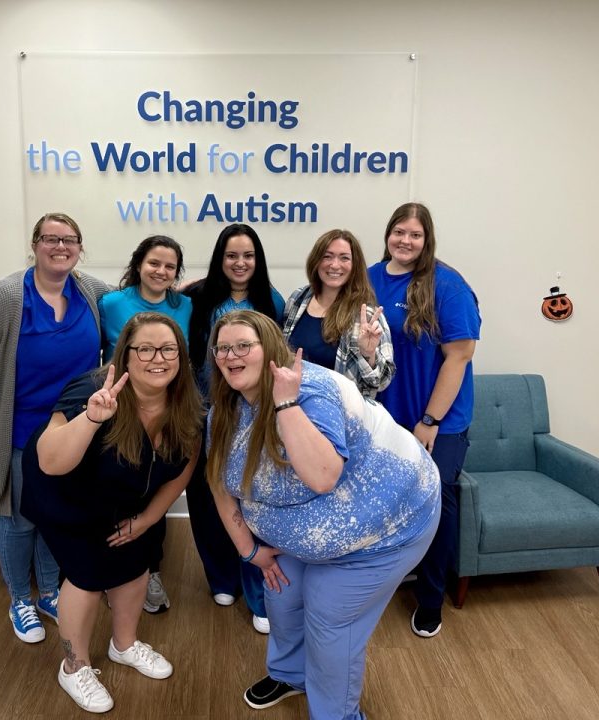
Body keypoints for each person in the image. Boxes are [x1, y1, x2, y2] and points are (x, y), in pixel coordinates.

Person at [206, 310, 440, 719]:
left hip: (386, 529)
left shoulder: (312, 391)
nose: (231, 355)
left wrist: (285, 404)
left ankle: (337, 715)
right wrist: (249, 550)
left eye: (244, 345)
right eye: (223, 348)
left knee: (328, 613)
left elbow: (322, 476)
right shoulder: (224, 410)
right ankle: (291, 675)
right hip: (301, 533)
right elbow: (220, 482)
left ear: (270, 348)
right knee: (281, 596)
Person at [21, 312, 202, 714]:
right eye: (145, 349)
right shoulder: (91, 390)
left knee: (136, 560)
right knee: (87, 574)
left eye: (168, 349)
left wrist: (149, 518)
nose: (158, 358)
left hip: (128, 493)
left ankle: (124, 645)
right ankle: (74, 666)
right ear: (125, 354)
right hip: (68, 492)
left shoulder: (187, 398)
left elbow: (184, 464)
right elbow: (50, 461)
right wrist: (91, 418)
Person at [0, 212, 111, 644]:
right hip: (16, 433)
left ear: (80, 248)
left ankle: (49, 593)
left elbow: (137, 303)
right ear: (34, 244)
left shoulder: (91, 291)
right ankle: (20, 598)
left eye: (69, 239)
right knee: (19, 521)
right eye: (50, 239)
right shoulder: (4, 298)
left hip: (71, 431)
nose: (60, 247)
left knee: (55, 516)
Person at [368, 202, 481, 639]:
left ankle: (431, 600)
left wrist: (430, 420)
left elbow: (460, 356)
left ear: (426, 239)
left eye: (415, 234)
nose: (405, 241)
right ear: (388, 233)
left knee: (436, 504)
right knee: (387, 500)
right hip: (386, 418)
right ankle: (389, 580)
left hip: (440, 422)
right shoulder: (371, 278)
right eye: (399, 231)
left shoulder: (448, 285)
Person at [184, 223, 285, 634]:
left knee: (251, 497)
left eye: (248, 255)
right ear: (219, 259)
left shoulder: (272, 301)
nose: (240, 263)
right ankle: (221, 578)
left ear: (257, 260)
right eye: (231, 255)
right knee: (207, 495)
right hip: (205, 411)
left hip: (254, 415)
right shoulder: (197, 297)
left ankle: (257, 586)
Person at [98, 235, 193, 613]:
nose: (161, 271)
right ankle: (109, 574)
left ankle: (151, 570)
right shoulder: (110, 304)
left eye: (170, 266)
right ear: (139, 264)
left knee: (154, 491)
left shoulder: (185, 305)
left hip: (166, 409)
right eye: (154, 263)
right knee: (114, 491)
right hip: (119, 411)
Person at [282, 228, 395, 398]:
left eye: (344, 258)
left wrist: (369, 354)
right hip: (293, 405)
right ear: (316, 261)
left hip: (340, 410)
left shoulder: (367, 315)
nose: (335, 265)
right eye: (327, 256)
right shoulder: (298, 299)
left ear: (355, 265)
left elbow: (381, 382)